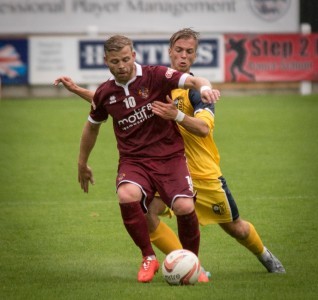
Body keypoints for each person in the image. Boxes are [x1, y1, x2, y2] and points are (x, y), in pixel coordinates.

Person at [55, 29, 285, 275]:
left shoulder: (197, 91)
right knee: (144, 214)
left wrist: (175, 114)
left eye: (189, 52)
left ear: (196, 56)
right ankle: (190, 266)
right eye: (179, 51)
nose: (183, 57)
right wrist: (79, 90)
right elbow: (117, 101)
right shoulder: (160, 80)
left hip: (200, 172)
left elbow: (204, 129)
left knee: (235, 228)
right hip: (164, 168)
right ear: (170, 52)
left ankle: (265, 255)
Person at [55, 34, 221, 283]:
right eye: (114, 61)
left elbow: (196, 80)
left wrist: (205, 88)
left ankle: (192, 265)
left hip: (169, 157)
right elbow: (92, 125)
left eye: (125, 59)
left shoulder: (156, 75)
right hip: (134, 161)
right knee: (126, 195)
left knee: (184, 207)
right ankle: (148, 257)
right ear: (106, 61)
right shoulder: (105, 92)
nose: (121, 65)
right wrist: (82, 162)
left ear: (134, 55)